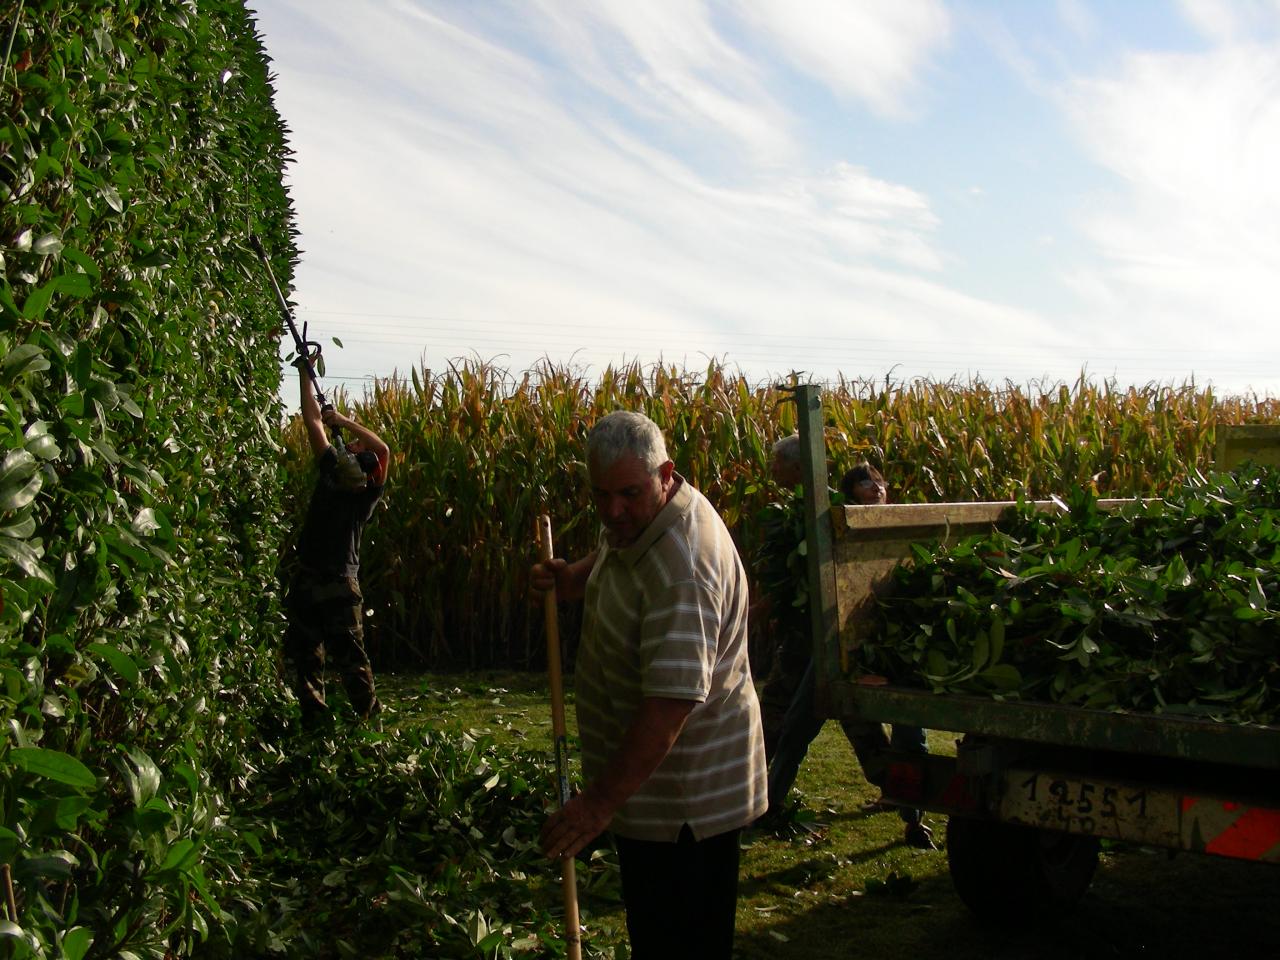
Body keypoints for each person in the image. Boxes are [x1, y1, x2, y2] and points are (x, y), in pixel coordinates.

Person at [532, 410, 766, 960]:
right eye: (600, 495)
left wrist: (596, 805)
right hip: (655, 792)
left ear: (666, 474)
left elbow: (669, 705)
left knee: (679, 941)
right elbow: (618, 549)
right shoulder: (641, 516)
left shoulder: (683, 569)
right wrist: (574, 576)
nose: (613, 510)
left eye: (628, 494)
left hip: (687, 802)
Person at [764, 461, 937, 850]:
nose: (875, 487)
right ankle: (770, 805)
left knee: (910, 735)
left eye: (878, 481)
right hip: (841, 647)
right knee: (797, 726)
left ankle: (913, 820)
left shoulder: (902, 530)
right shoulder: (837, 532)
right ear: (847, 492)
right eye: (863, 482)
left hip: (893, 649)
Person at [284, 355, 389, 727]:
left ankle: (323, 723)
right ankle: (363, 721)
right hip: (330, 580)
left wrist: (338, 418)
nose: (356, 446)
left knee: (314, 658)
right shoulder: (362, 491)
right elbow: (379, 450)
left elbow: (315, 422)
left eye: (357, 448)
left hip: (321, 578)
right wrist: (305, 373)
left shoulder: (338, 474)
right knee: (344, 659)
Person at [752, 434, 812, 760]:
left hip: (803, 637)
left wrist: (758, 612)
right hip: (803, 634)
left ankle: (756, 792)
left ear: (799, 468)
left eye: (779, 463)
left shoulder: (805, 516)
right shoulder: (794, 509)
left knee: (774, 708)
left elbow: (793, 580)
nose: (773, 469)